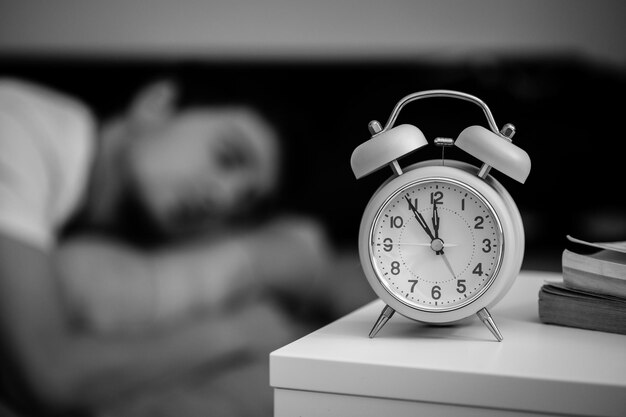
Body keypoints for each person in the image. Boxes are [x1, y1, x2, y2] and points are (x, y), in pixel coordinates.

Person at [0, 77, 335, 416]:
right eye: (227, 157)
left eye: (243, 203)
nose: (222, 197)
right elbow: (50, 377)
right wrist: (236, 333)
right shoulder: (16, 132)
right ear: (157, 105)